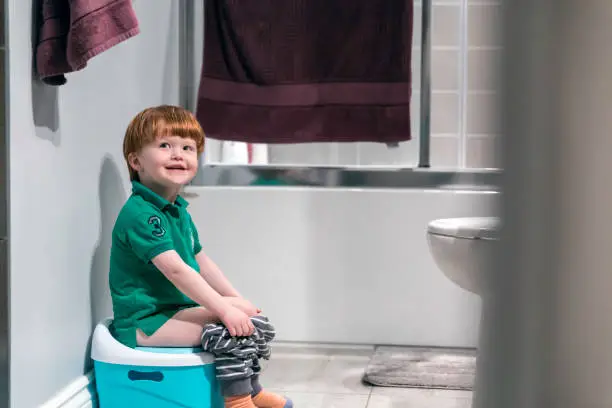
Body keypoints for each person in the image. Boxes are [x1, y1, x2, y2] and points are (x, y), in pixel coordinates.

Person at [108, 105, 292, 408]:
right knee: (231, 331)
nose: (178, 154)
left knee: (255, 322)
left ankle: (253, 389)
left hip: (174, 310)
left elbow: (203, 263)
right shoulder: (142, 214)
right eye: (164, 145)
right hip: (146, 322)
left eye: (187, 147)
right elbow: (177, 271)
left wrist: (237, 300)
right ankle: (237, 402)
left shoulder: (177, 210)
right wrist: (225, 310)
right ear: (136, 161)